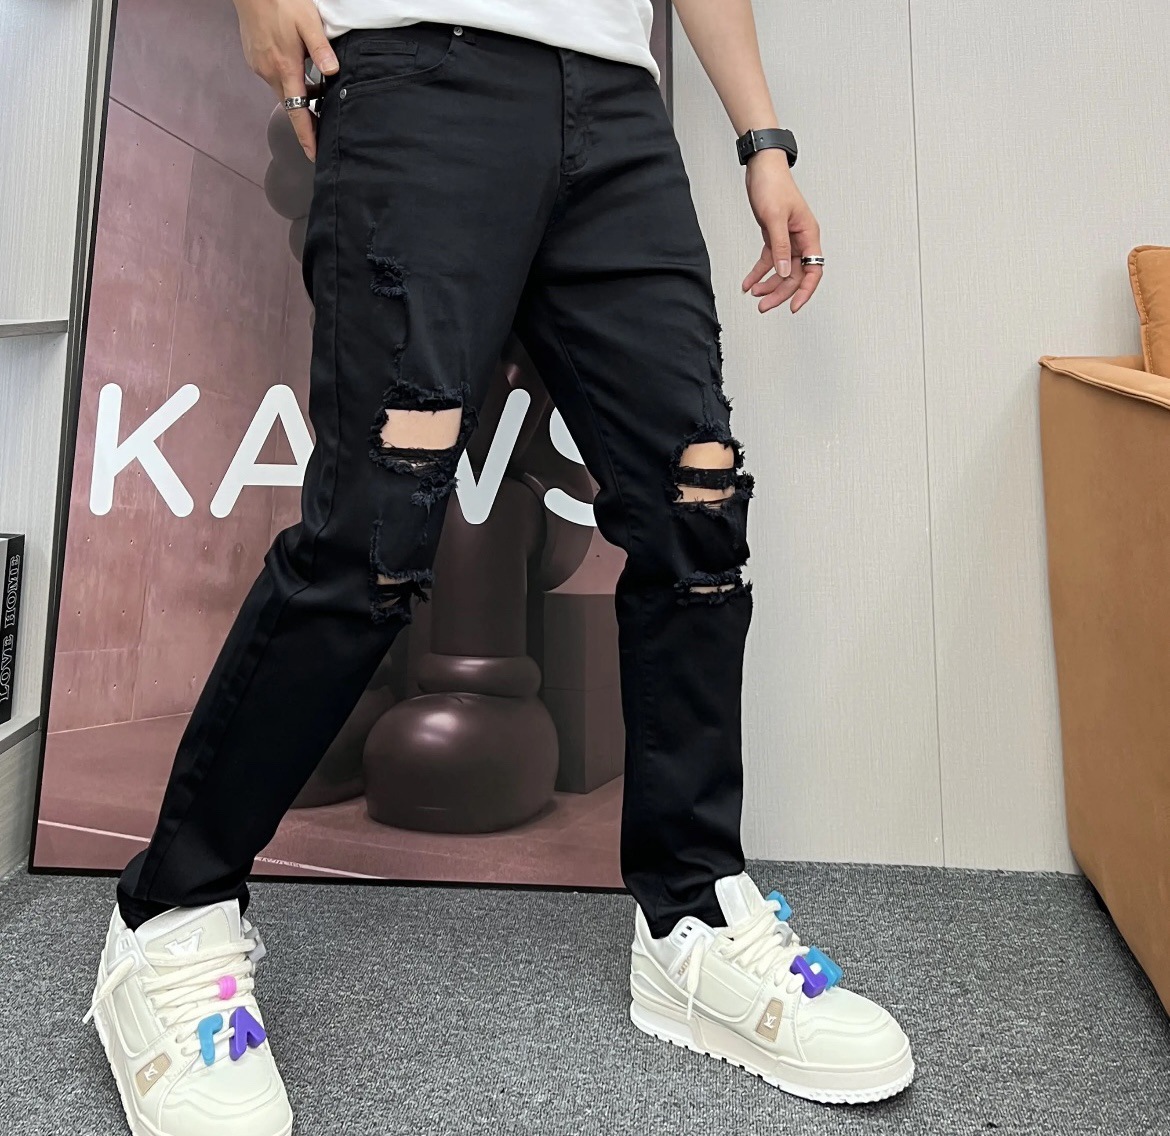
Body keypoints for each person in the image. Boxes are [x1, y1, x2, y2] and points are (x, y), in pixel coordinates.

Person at [84, 1, 914, 1131]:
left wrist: (763, 139)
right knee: (378, 521)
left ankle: (691, 920)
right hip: (418, 68)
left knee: (697, 501)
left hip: (616, 105)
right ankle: (170, 918)